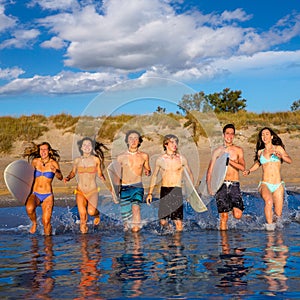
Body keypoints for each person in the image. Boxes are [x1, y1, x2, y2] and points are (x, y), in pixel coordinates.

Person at [243, 127, 292, 231]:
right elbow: (257, 163)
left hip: (278, 185)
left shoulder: (278, 148)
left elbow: (289, 160)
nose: (264, 136)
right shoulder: (260, 152)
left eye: (266, 134)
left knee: (278, 215)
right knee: (268, 202)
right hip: (265, 184)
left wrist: (281, 156)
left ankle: (274, 233)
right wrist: (249, 170)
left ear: (271, 136)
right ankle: (269, 231)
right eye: (262, 135)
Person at [146, 134, 194, 232]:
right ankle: (169, 232)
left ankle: (177, 244)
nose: (175, 144)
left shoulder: (181, 159)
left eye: (176, 142)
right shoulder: (160, 159)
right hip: (165, 191)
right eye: (172, 142)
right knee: (163, 221)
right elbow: (154, 176)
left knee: (178, 222)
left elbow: (190, 174)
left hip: (176, 191)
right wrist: (150, 193)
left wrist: (191, 192)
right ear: (166, 144)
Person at [206, 124, 245, 231]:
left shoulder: (238, 150)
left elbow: (242, 167)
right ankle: (224, 245)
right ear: (223, 135)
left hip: (234, 184)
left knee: (238, 215)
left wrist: (229, 161)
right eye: (227, 133)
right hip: (221, 185)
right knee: (224, 217)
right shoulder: (217, 151)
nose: (230, 136)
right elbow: (210, 171)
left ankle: (231, 208)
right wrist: (209, 187)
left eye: (232, 134)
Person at [64, 137, 107, 234]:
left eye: (89, 145)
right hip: (80, 191)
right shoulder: (77, 160)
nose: (87, 147)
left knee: (91, 212)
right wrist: (68, 177)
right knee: (83, 217)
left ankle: (97, 214)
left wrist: (103, 178)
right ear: (81, 148)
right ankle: (84, 244)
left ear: (92, 147)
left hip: (92, 191)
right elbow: (73, 173)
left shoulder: (96, 160)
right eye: (84, 145)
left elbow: (99, 173)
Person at [23, 142, 63, 235]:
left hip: (47, 195)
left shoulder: (53, 163)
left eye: (45, 149)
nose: (43, 151)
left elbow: (60, 177)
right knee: (29, 208)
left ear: (49, 151)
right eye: (41, 149)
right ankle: (34, 223)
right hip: (35, 193)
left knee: (46, 222)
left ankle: (48, 244)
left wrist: (56, 172)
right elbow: (29, 176)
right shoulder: (35, 162)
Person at [116, 130, 151, 232]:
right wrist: (115, 191)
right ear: (127, 141)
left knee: (136, 209)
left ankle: (137, 245)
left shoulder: (144, 156)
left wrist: (148, 171)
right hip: (124, 188)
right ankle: (128, 245)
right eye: (131, 138)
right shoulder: (120, 157)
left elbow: (148, 169)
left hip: (137, 187)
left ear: (139, 141)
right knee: (126, 225)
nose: (133, 140)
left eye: (136, 138)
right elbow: (116, 176)